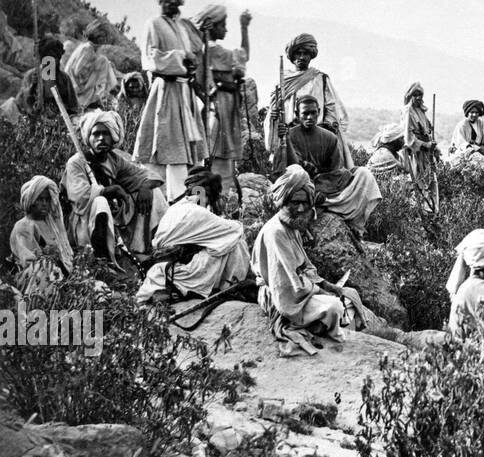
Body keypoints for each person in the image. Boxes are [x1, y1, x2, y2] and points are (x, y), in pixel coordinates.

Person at [251, 165, 365, 356]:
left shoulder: (291, 228)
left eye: (305, 203)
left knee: (349, 294)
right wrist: (321, 292)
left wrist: (329, 286)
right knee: (335, 306)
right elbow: (287, 285)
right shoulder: (276, 233)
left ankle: (326, 325)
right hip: (284, 297)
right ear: (284, 201)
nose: (301, 208)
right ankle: (327, 331)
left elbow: (305, 267)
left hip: (299, 291)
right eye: (295, 202)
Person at [133, 0, 208, 200]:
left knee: (190, 148)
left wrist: (194, 60)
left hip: (186, 92)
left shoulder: (183, 27)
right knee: (168, 145)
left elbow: (196, 52)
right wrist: (180, 58)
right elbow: (151, 58)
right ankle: (168, 197)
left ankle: (191, 196)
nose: (171, 1)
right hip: (166, 90)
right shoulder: (153, 25)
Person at [65, 109, 167, 261]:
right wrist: (107, 191)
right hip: (84, 222)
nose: (101, 138)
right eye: (96, 134)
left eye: (106, 134)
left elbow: (144, 175)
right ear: (89, 137)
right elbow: (79, 197)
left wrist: (145, 187)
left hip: (113, 214)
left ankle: (144, 247)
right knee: (100, 202)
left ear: (113, 137)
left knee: (153, 193)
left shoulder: (114, 159)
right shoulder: (77, 162)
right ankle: (102, 258)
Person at [280, 96, 382, 233]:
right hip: (300, 188)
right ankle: (314, 204)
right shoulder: (290, 135)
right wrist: (284, 139)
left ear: (319, 112)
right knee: (298, 174)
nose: (310, 117)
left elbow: (335, 172)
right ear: (297, 115)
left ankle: (352, 219)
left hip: (326, 189)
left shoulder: (330, 138)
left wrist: (322, 188)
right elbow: (290, 168)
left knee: (364, 174)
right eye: (305, 113)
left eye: (313, 112)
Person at [135, 192, 252, 305]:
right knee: (235, 243)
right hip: (181, 264)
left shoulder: (177, 208)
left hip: (168, 258)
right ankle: (230, 286)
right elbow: (234, 230)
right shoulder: (196, 212)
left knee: (223, 243)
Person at [265, 33, 352, 169]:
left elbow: (331, 110)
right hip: (290, 137)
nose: (301, 57)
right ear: (292, 56)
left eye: (305, 53)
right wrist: (275, 120)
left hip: (317, 137)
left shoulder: (321, 79)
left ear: (311, 55)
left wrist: (325, 130)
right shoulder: (282, 81)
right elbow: (273, 112)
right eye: (298, 53)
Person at [191, 4, 251, 202]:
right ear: (212, 26)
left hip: (221, 110)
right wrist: (244, 27)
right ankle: (216, 201)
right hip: (219, 111)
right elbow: (243, 55)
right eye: (223, 25)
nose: (225, 30)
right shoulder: (213, 52)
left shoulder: (205, 52)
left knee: (215, 158)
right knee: (218, 160)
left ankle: (210, 201)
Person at [8, 175, 74, 294]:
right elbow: (30, 263)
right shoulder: (23, 226)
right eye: (40, 199)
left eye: (47, 199)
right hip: (34, 279)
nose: (44, 203)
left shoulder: (51, 224)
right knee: (44, 271)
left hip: (58, 276)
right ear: (31, 201)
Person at [5, 35, 80, 122]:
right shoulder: (31, 76)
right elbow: (22, 103)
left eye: (55, 58)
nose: (52, 63)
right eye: (48, 59)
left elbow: (73, 106)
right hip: (34, 120)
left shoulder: (64, 78)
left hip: (59, 121)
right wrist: (32, 86)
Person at [62, 19, 121, 111]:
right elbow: (79, 72)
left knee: (105, 63)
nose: (105, 39)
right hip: (74, 90)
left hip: (75, 88)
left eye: (105, 36)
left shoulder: (89, 48)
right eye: (102, 36)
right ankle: (104, 96)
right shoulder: (87, 49)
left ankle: (107, 94)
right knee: (104, 62)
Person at [402, 82, 439, 189]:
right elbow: (408, 136)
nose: (418, 97)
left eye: (420, 95)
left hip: (427, 153)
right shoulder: (408, 111)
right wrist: (425, 145)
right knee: (419, 183)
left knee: (431, 181)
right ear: (410, 96)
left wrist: (433, 145)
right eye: (415, 95)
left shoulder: (422, 110)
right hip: (415, 153)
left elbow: (428, 131)